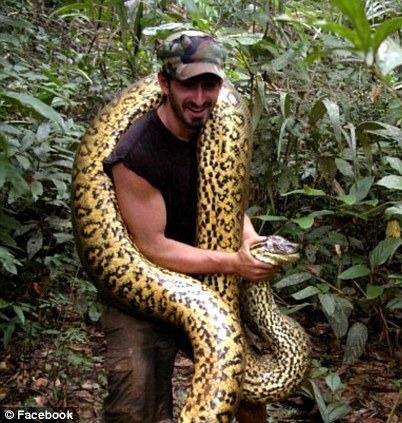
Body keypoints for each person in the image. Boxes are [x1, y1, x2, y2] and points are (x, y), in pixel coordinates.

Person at [101, 30, 277, 423]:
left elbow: (228, 201)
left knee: (245, 393)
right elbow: (154, 247)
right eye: (188, 86)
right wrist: (234, 263)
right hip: (146, 287)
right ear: (164, 83)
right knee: (135, 404)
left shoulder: (212, 132)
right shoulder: (137, 153)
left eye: (209, 85)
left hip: (203, 277)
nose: (199, 99)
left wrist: (249, 240)